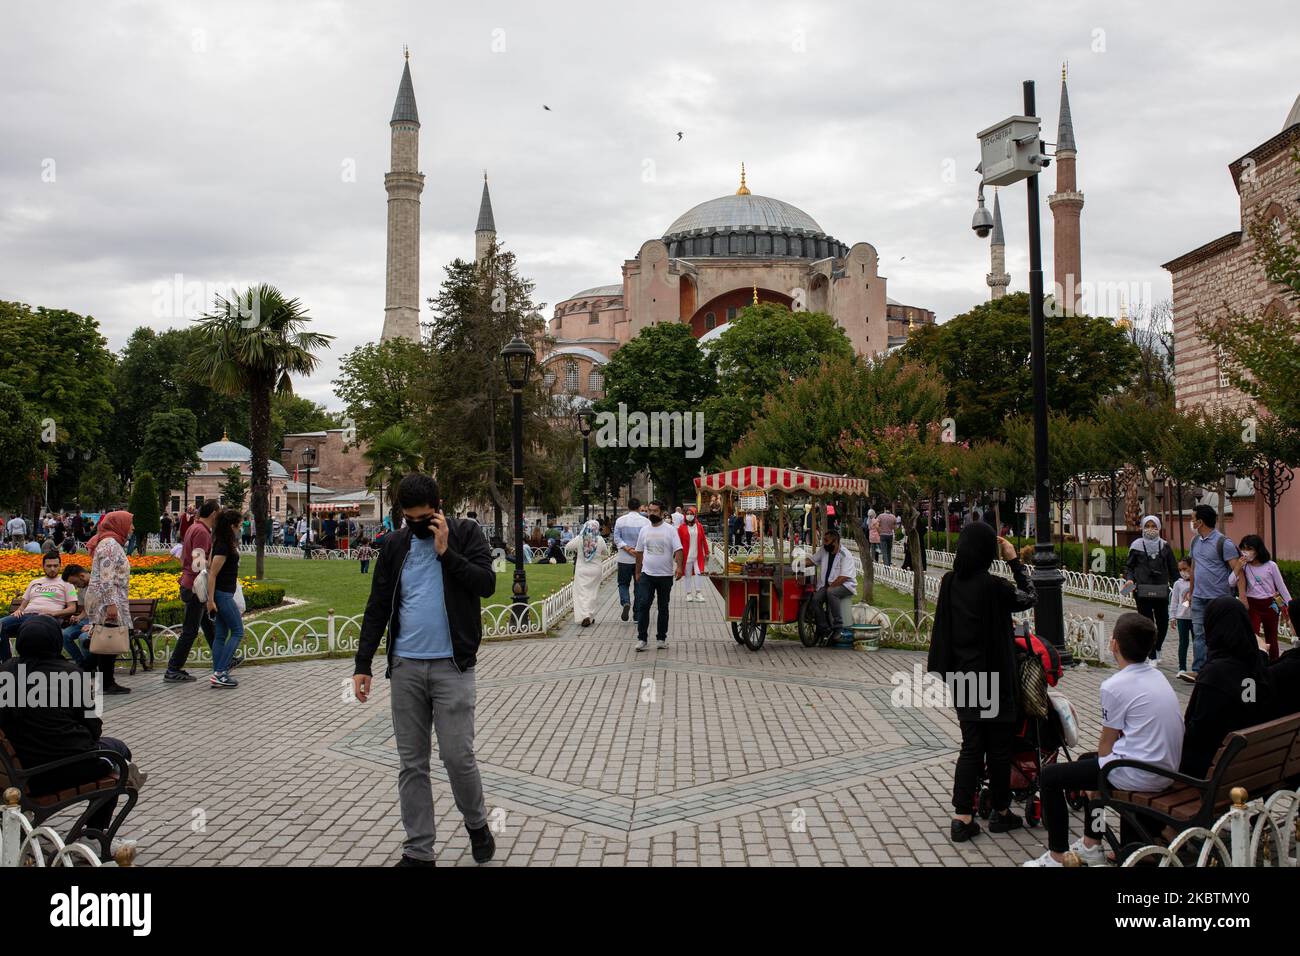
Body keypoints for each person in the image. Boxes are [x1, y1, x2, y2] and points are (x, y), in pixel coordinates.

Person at [351, 473, 497, 866]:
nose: (417, 526)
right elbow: (378, 604)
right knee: (411, 763)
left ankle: (477, 823)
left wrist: (446, 552)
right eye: (410, 519)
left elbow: (486, 584)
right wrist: (362, 663)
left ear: (439, 507)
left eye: (425, 518)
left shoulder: (466, 533)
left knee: (456, 756)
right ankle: (419, 850)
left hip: (453, 666)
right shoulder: (395, 545)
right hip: (406, 666)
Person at [1024, 612, 1185, 866]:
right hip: (1165, 768)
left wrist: (1096, 780)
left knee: (1051, 776)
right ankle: (1091, 843)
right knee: (1087, 763)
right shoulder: (1157, 676)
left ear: (1114, 645)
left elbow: (1106, 744)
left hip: (1140, 772)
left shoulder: (1115, 685)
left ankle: (1056, 856)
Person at [0, 616, 145, 861]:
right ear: (55, 641)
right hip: (63, 769)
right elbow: (94, 729)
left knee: (113, 752)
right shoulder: (73, 675)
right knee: (118, 752)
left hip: (17, 772)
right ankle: (94, 834)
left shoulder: (5, 672)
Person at [927, 522, 1036, 842]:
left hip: (963, 677)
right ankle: (1001, 813)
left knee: (972, 746)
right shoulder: (994, 586)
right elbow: (1030, 596)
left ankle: (962, 817)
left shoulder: (949, 582)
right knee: (999, 749)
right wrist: (1014, 560)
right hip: (994, 677)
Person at [1179, 596, 1273, 779]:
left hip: (1208, 772)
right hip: (1244, 765)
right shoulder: (1255, 666)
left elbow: (1197, 730)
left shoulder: (1216, 673)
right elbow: (1250, 702)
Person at [165, 500, 220, 683]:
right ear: (213, 514)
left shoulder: (193, 528)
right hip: (195, 586)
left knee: (208, 625)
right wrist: (212, 568)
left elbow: (185, 557)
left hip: (190, 582)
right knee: (190, 631)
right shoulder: (202, 532)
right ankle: (173, 668)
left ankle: (223, 659)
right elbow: (198, 563)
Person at [1185, 505, 1240, 683]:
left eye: (1193, 519)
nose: (1191, 522)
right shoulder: (1195, 542)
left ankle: (1219, 670)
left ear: (1200, 522)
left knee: (1218, 636)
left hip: (1219, 599)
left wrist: (1243, 598)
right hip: (1199, 597)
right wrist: (1191, 592)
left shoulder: (1224, 543)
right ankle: (1199, 670)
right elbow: (1194, 568)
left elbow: (1238, 571)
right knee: (1199, 634)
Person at [83, 510, 134, 695]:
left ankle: (101, 678)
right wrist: (111, 604)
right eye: (130, 524)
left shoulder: (110, 542)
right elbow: (106, 578)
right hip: (106, 599)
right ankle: (105, 681)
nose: (132, 528)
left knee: (106, 639)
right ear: (119, 524)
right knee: (108, 639)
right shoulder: (110, 545)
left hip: (107, 597)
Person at [0, 551, 79, 661]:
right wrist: (19, 609)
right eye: (49, 566)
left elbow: (72, 608)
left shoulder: (68, 584)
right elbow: (24, 603)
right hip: (26, 615)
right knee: (0, 625)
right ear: (43, 567)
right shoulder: (34, 582)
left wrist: (54, 613)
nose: (52, 569)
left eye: (55, 566)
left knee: (32, 631)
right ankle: (7, 663)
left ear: (60, 566)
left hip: (48, 619)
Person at [1123, 515, 1179, 662]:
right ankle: (1152, 654)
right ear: (1142, 527)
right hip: (1142, 590)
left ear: (1159, 528)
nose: (1150, 530)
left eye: (1154, 526)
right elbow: (1129, 567)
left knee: (1163, 622)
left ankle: (1158, 646)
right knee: (1147, 623)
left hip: (1161, 589)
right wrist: (1129, 580)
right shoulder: (1136, 546)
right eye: (1147, 526)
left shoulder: (1165, 546)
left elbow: (1173, 569)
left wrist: (1180, 587)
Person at [1230, 534, 1292, 663]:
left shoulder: (1271, 566)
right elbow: (1230, 582)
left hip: (1270, 604)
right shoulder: (1245, 566)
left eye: (1249, 549)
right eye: (1243, 549)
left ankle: (1274, 664)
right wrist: (1237, 568)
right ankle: (1255, 664)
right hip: (1252, 604)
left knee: (1272, 638)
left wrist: (1290, 605)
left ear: (1258, 550)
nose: (1246, 552)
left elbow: (1281, 587)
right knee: (1253, 636)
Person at [634, 500, 683, 651]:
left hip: (665, 575)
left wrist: (679, 567)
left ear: (662, 513)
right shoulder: (644, 530)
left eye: (655, 511)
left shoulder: (670, 530)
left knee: (663, 607)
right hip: (647, 574)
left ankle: (661, 638)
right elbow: (639, 552)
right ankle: (642, 639)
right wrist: (637, 571)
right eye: (650, 511)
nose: (652, 514)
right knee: (643, 605)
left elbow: (678, 549)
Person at [206, 509, 245, 688]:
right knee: (237, 631)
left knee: (221, 635)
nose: (241, 528)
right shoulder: (223, 545)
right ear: (231, 526)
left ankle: (217, 673)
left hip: (223, 592)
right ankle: (221, 671)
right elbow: (212, 574)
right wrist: (210, 599)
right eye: (239, 525)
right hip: (223, 594)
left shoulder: (224, 542)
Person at [809, 529, 858, 637]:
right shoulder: (823, 550)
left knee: (831, 592)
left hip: (845, 585)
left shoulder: (845, 555)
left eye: (826, 541)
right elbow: (812, 560)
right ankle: (824, 628)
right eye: (824, 540)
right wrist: (797, 563)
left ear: (835, 542)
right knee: (815, 600)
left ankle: (838, 626)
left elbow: (843, 577)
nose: (824, 543)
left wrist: (829, 588)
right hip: (827, 585)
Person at [612, 498, 650, 623]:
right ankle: (637, 614)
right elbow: (646, 539)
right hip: (639, 558)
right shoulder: (645, 522)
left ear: (628, 507)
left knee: (623, 583)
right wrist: (637, 550)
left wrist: (628, 548)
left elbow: (616, 538)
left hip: (624, 558)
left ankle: (626, 601)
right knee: (639, 585)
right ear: (639, 508)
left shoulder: (620, 520)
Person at [565, 519, 608, 626]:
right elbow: (605, 552)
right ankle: (590, 615)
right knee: (593, 593)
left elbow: (568, 546)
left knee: (581, 593)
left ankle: (585, 615)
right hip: (596, 570)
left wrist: (578, 550)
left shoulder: (580, 539)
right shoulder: (600, 539)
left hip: (582, 569)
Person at [60, 564, 92, 667]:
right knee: (63, 635)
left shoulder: (98, 584)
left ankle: (89, 666)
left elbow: (105, 610)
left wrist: (93, 625)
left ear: (82, 576)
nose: (75, 586)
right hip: (86, 620)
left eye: (75, 583)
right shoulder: (82, 588)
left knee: (84, 637)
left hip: (101, 621)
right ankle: (82, 664)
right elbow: (85, 610)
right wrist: (78, 617)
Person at [677, 507, 709, 603]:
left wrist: (706, 552)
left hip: (697, 555)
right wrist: (677, 556)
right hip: (687, 556)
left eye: (691, 513)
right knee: (687, 575)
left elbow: (703, 539)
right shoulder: (681, 528)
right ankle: (688, 593)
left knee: (699, 572)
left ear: (695, 515)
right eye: (687, 513)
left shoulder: (699, 526)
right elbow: (678, 543)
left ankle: (698, 593)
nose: (689, 515)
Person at [1169, 558, 1195, 678]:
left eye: (1185, 569)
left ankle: (1197, 667)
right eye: (1180, 570)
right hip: (1182, 617)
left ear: (1192, 567)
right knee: (1183, 643)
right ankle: (1182, 668)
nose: (1183, 572)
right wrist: (1172, 616)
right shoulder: (1178, 584)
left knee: (1198, 643)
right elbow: (1174, 601)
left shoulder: (1197, 581)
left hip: (1196, 617)